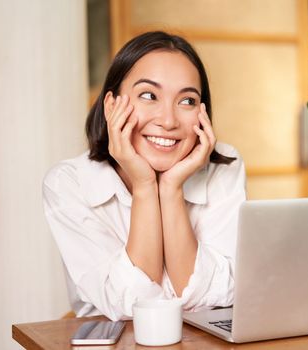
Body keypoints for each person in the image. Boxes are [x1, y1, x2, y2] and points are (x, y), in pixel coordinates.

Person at [42, 31, 246, 321]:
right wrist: (144, 185)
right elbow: (132, 304)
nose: (168, 120)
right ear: (112, 105)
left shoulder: (224, 167)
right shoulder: (68, 183)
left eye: (186, 101)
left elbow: (221, 295)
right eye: (149, 96)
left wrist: (171, 188)